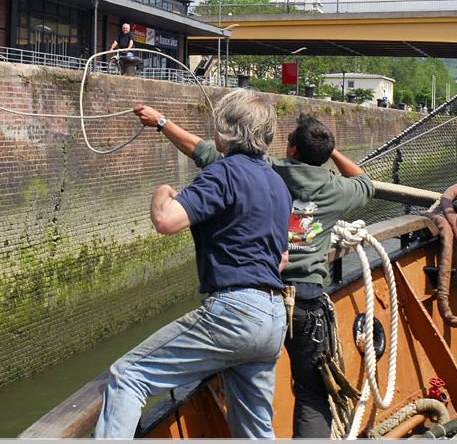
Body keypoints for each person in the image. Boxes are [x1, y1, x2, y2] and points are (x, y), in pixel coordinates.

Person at [133, 105, 373, 438]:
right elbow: (364, 181)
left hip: (264, 298)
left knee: (247, 373)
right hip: (306, 302)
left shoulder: (268, 172)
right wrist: (330, 151)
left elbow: (202, 151)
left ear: (290, 149)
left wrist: (161, 122)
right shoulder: (338, 191)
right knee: (311, 391)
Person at [95, 89, 291, 439]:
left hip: (236, 311)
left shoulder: (224, 173)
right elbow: (281, 258)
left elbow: (167, 221)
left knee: (129, 375)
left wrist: (162, 192)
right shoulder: (277, 184)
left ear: (224, 131)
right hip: (274, 318)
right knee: (256, 431)